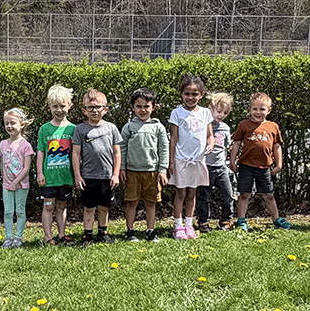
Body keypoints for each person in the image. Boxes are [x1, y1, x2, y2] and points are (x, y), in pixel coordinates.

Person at [229, 92, 292, 231]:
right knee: (244, 194)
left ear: (268, 111)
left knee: (269, 194)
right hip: (246, 166)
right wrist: (232, 161)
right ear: (250, 110)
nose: (258, 112)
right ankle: (241, 220)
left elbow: (277, 146)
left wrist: (279, 164)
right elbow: (237, 143)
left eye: (262, 109)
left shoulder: (272, 126)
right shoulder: (244, 124)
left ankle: (276, 219)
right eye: (255, 109)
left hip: (265, 167)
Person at [73, 89, 122, 246]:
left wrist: (115, 174)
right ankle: (87, 235)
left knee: (104, 207)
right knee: (89, 208)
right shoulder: (80, 129)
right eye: (90, 107)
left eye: (98, 107)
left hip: (106, 177)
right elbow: (75, 154)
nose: (94, 110)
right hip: (88, 176)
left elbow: (117, 153)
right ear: (84, 110)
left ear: (105, 109)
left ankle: (103, 232)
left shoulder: (111, 128)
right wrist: (77, 175)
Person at [168, 74, 214, 240]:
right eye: (187, 94)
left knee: (192, 193)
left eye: (195, 94)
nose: (190, 97)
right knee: (180, 193)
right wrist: (170, 161)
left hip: (198, 160)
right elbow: (173, 138)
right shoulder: (176, 113)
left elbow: (210, 135)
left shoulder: (205, 113)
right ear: (181, 94)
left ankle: (189, 225)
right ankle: (178, 226)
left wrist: (211, 143)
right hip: (181, 159)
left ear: (201, 95)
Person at [120, 88, 169, 242]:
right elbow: (121, 148)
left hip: (152, 172)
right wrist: (121, 168)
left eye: (146, 106)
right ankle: (129, 231)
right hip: (132, 172)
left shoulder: (158, 127)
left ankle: (150, 230)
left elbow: (164, 148)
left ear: (153, 107)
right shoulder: (128, 127)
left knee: (151, 202)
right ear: (133, 108)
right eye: (139, 106)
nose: (142, 110)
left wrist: (163, 170)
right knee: (132, 202)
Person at [36, 85, 77, 246]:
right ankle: (48, 237)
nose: (59, 110)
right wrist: (40, 173)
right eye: (55, 106)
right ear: (49, 108)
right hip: (49, 178)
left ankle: (61, 234)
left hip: (66, 177)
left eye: (62, 106)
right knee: (48, 206)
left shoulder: (73, 129)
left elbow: (76, 154)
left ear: (69, 106)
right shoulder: (45, 129)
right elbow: (40, 152)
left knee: (61, 206)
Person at [196, 92, 237, 233]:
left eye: (225, 113)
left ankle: (226, 220)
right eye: (219, 111)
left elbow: (226, 147)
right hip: (206, 167)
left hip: (221, 167)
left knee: (228, 195)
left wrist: (227, 163)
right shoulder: (204, 126)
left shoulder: (225, 128)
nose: (221, 115)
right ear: (210, 109)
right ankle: (203, 221)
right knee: (204, 197)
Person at [0, 108, 34, 248]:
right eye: (7, 123)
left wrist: (15, 182)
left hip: (21, 185)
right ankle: (8, 237)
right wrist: (5, 180)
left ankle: (18, 237)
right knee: (7, 211)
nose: (9, 126)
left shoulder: (26, 145)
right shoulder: (3, 144)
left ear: (22, 124)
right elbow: (2, 164)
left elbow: (26, 168)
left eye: (12, 123)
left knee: (19, 211)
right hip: (7, 185)